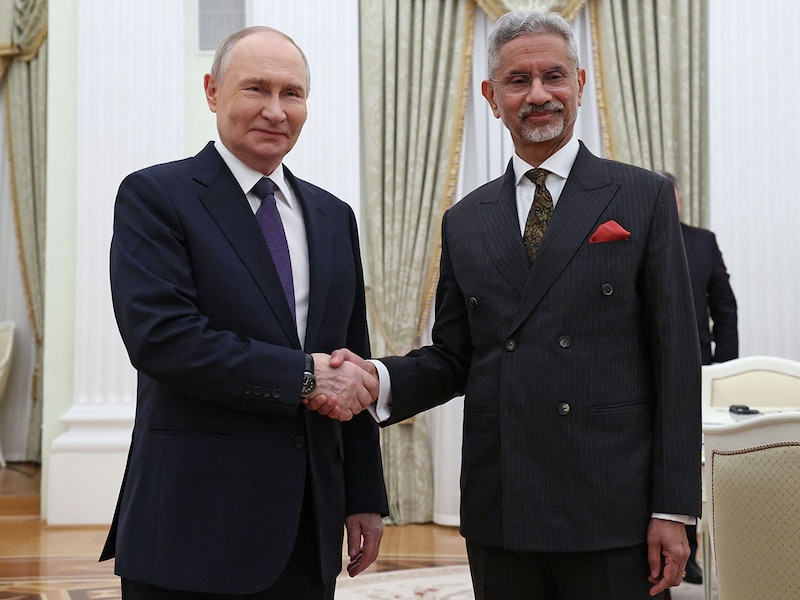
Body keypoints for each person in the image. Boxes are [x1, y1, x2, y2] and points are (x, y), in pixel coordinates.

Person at [324, 11, 702, 599]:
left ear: (580, 82)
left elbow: (677, 364)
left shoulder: (643, 197)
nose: (539, 94)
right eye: (518, 81)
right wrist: (379, 378)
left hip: (612, 504)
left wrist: (674, 507)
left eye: (553, 76)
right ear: (491, 96)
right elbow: (455, 357)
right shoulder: (465, 220)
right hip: (503, 505)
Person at [100, 26, 388, 600]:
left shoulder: (334, 217)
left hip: (307, 527)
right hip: (191, 525)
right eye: (256, 88)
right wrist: (303, 376)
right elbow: (163, 339)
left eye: (293, 93)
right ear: (212, 91)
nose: (276, 111)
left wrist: (363, 495)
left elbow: (350, 356)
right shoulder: (156, 197)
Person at [659, 170, 739, 585]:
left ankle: (687, 554)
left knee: (689, 461)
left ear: (681, 202)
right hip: (644, 370)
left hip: (699, 370)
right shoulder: (630, 236)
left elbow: (724, 308)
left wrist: (724, 370)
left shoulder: (702, 242)